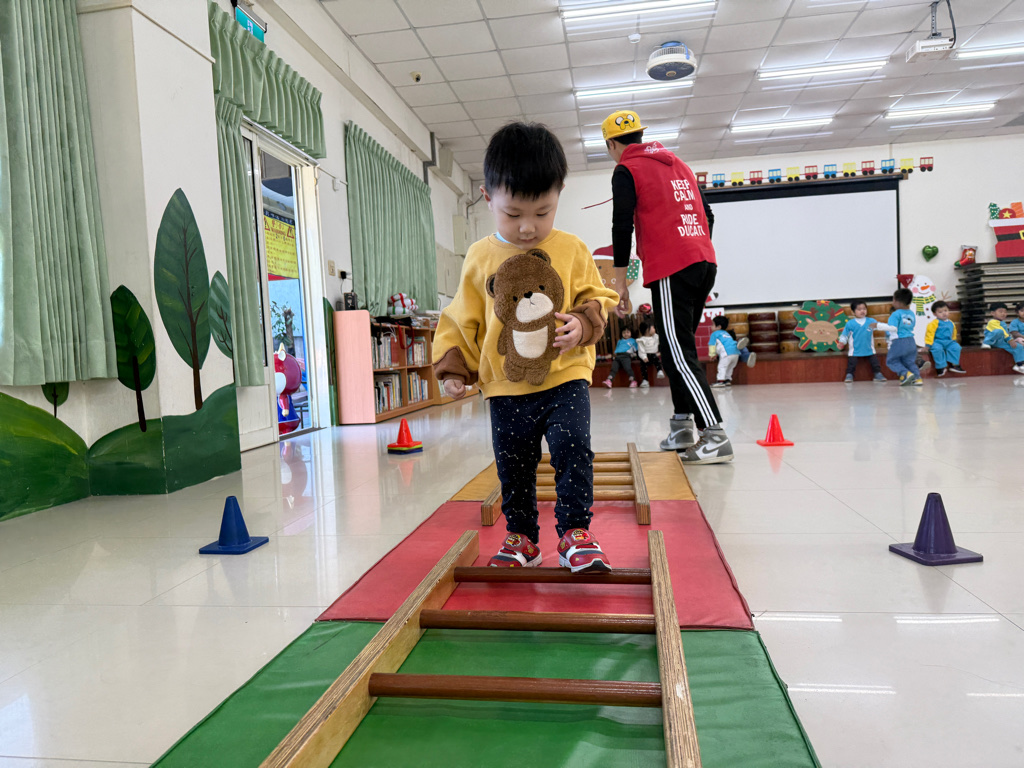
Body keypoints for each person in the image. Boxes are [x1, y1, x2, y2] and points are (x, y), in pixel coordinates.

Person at [432, 122, 619, 573]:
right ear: (487, 197)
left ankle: (575, 532)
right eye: (512, 214)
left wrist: (582, 323)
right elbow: (462, 317)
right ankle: (522, 538)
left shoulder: (572, 249)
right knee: (514, 463)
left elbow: (598, 298)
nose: (528, 227)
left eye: (543, 211)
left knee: (573, 446)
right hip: (505, 385)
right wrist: (454, 368)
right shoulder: (479, 256)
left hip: (565, 375)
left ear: (559, 195)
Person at [603, 109, 732, 464]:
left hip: (672, 268)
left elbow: (621, 226)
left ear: (611, 144)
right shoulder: (679, 165)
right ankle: (681, 426)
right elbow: (708, 215)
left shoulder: (626, 169)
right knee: (675, 347)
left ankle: (714, 435)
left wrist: (620, 283)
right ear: (640, 136)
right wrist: (693, 247)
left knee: (677, 352)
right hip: (703, 262)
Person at [837, 300, 887, 383]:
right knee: (851, 363)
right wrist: (842, 342)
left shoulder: (871, 321)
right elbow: (844, 335)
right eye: (859, 309)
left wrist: (890, 329)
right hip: (855, 350)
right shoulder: (850, 323)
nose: (862, 311)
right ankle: (849, 375)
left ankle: (877, 374)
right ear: (853, 312)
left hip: (869, 349)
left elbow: (880, 326)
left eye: (864, 309)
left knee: (875, 362)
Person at [885, 288, 923, 386]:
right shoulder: (911, 313)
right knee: (909, 361)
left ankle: (905, 373)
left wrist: (887, 336)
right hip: (911, 341)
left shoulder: (895, 314)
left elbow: (891, 329)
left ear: (897, 302)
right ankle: (917, 378)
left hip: (899, 341)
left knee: (891, 360)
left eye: (893, 299)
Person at [924, 301, 966, 377]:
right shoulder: (934, 323)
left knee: (956, 347)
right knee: (937, 349)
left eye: (945, 311)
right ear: (934, 314)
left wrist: (954, 340)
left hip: (949, 341)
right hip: (938, 341)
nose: (944, 313)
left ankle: (954, 364)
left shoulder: (951, 323)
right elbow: (929, 334)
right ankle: (940, 367)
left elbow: (953, 332)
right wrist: (928, 344)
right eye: (940, 312)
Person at [982, 302, 1024, 374]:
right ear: (992, 313)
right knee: (999, 331)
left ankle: (1019, 365)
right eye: (1000, 311)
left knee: (1018, 346)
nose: (1003, 314)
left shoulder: (1003, 323)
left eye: (1005, 312)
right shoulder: (992, 322)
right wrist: (1010, 339)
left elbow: (1006, 333)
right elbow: (1003, 332)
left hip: (1001, 342)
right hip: (993, 340)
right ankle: (986, 343)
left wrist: (1011, 341)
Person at [637, 322, 664, 387]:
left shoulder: (655, 337)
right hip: (646, 356)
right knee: (643, 366)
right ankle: (645, 380)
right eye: (653, 328)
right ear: (647, 329)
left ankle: (659, 370)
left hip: (654, 355)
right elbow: (641, 350)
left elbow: (659, 340)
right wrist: (644, 357)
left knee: (656, 359)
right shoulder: (641, 340)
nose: (655, 329)